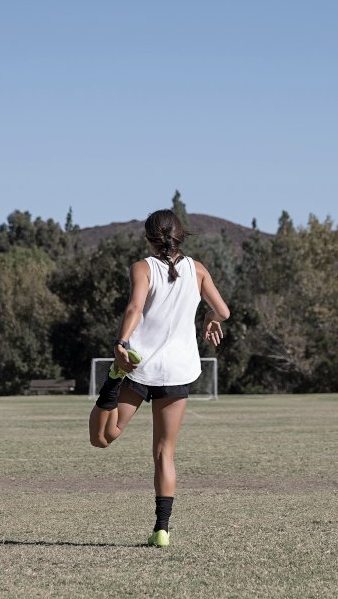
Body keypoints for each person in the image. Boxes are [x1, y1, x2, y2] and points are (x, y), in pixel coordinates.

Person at [89, 208, 230, 547]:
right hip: (178, 371)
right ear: (181, 237)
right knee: (165, 452)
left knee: (102, 438)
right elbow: (224, 311)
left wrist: (121, 342)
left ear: (150, 239)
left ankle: (111, 378)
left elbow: (134, 309)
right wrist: (211, 317)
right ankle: (162, 530)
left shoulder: (143, 267)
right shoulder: (197, 270)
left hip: (139, 368)